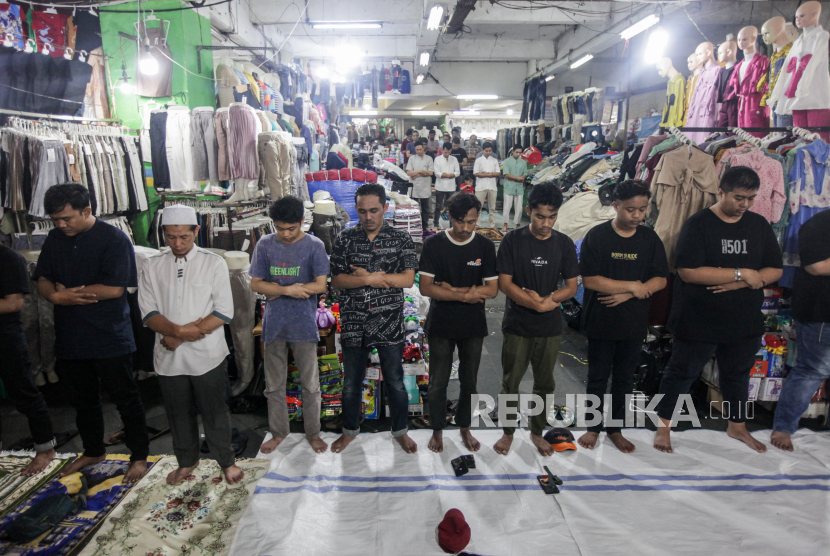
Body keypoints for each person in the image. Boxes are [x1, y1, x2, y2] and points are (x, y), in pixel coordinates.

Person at [653, 167, 783, 454]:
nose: (745, 204)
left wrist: (744, 281)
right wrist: (741, 274)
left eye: (751, 198)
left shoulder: (758, 224)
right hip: (699, 317)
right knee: (682, 372)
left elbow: (774, 269)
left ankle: (737, 425)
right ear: (721, 192)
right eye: (739, 197)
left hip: (743, 317)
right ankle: (664, 424)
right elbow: (688, 272)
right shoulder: (699, 224)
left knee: (737, 374)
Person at [34, 183, 149, 483]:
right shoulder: (55, 239)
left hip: (110, 334)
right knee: (83, 401)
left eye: (66, 218)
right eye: (55, 219)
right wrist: (55, 296)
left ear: (87, 211)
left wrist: (65, 294)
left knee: (126, 399)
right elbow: (43, 278)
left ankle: (139, 456)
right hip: (71, 335)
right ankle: (94, 449)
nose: (61, 225)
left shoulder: (114, 239)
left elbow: (114, 288)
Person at [139, 205, 243, 485]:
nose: (178, 243)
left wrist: (177, 336)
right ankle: (187, 460)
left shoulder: (213, 262)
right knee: (178, 412)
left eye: (184, 236)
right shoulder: (152, 265)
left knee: (215, 411)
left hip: (207, 354)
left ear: (196, 231)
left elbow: (223, 312)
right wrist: (176, 332)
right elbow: (148, 313)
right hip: (169, 356)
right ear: (163, 234)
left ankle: (226, 459)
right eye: (171, 237)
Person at [576, 180, 668, 453]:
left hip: (633, 320)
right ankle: (593, 427)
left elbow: (660, 279)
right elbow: (590, 280)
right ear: (615, 206)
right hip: (601, 320)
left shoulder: (649, 238)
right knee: (597, 376)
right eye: (631, 210)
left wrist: (629, 294)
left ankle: (615, 429)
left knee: (625, 379)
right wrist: (630, 286)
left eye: (642, 209)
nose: (638, 216)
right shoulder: (598, 236)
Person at [330, 183, 419, 454]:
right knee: (351, 383)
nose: (368, 217)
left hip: (389, 321)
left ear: (385, 208)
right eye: (362, 211)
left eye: (374, 210)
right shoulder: (345, 239)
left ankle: (400, 430)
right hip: (354, 321)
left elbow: (407, 278)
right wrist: (372, 279)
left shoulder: (401, 239)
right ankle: (349, 431)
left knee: (394, 379)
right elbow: (337, 280)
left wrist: (371, 279)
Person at [494, 183, 579, 456]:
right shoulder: (512, 241)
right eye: (540, 216)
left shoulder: (563, 244)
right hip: (518, 324)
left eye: (552, 216)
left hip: (549, 328)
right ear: (529, 211)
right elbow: (505, 284)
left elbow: (571, 286)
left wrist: (550, 302)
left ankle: (536, 431)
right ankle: (508, 432)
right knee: (511, 381)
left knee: (545, 383)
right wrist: (535, 303)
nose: (546, 223)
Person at [249, 196, 330, 454]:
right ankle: (278, 433)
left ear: (302, 222)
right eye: (279, 228)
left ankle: (313, 433)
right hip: (273, 325)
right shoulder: (265, 244)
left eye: (291, 228)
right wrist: (288, 290)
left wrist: (275, 290)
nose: (284, 233)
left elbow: (321, 285)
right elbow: (255, 284)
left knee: (310, 384)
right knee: (273, 385)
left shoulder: (314, 245)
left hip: (304, 325)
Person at [419, 193, 498, 453]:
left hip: (472, 325)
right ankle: (438, 428)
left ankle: (465, 427)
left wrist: (452, 290)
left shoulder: (485, 246)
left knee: (470, 381)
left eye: (472, 222)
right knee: (438, 381)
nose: (466, 228)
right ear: (449, 217)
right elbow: (427, 289)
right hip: (441, 323)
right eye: (460, 222)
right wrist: (467, 294)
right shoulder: (434, 244)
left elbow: (492, 290)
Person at [771, 210, 830, 451]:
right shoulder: (819, 223)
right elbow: (816, 266)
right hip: (822, 311)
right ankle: (784, 427)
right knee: (812, 370)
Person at [0, 245, 57, 476]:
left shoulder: (8, 258)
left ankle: (45, 448)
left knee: (24, 392)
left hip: (5, 337)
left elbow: (13, 303)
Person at [405, 142, 435, 231]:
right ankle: (414, 225)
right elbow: (409, 172)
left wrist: (417, 174)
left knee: (425, 208)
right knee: (414, 208)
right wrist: (421, 171)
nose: (418, 151)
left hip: (425, 186)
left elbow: (431, 173)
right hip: (414, 187)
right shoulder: (412, 158)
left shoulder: (429, 158)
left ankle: (425, 225)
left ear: (424, 148)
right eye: (416, 150)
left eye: (420, 149)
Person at [433, 142, 461, 231]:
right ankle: (435, 224)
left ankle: (451, 226)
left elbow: (457, 172)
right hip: (440, 186)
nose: (447, 154)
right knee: (438, 207)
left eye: (449, 152)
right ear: (442, 150)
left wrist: (449, 175)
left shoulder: (454, 159)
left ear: (450, 151)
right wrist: (448, 175)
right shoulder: (437, 159)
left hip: (451, 187)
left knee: (451, 207)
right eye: (445, 152)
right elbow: (436, 173)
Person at [501, 146, 528, 232]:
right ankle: (505, 224)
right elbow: (506, 174)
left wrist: (519, 178)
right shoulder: (507, 161)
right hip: (509, 187)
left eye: (520, 152)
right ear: (512, 151)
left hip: (519, 188)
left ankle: (517, 224)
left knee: (519, 208)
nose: (518, 154)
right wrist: (518, 178)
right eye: (516, 152)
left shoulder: (523, 162)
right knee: (507, 207)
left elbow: (525, 173)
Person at [473, 142, 500, 229]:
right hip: (481, 186)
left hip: (492, 186)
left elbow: (498, 173)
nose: (488, 152)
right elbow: (476, 173)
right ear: (482, 150)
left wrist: (485, 173)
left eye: (490, 151)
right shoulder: (478, 160)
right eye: (486, 151)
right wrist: (491, 174)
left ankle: (492, 225)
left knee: (492, 208)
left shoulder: (494, 160)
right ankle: (477, 225)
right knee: (478, 207)